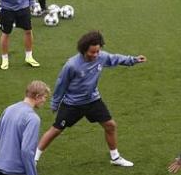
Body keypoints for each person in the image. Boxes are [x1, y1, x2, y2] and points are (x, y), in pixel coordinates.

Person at [34, 31, 145, 167]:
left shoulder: (101, 57)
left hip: (93, 100)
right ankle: (34, 158)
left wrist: (133, 60)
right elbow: (61, 84)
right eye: (92, 52)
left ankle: (115, 158)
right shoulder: (72, 65)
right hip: (72, 104)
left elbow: (115, 58)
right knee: (56, 130)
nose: (95, 55)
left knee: (110, 126)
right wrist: (55, 103)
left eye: (97, 51)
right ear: (83, 50)